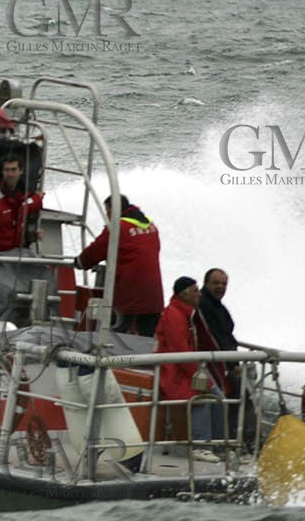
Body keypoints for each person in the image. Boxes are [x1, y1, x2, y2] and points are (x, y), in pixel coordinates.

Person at [154, 275, 226, 459]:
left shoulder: (184, 312)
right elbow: (180, 350)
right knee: (203, 395)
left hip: (183, 369)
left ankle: (218, 445)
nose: (199, 294)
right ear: (184, 294)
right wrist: (198, 374)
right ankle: (201, 445)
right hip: (173, 372)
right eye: (195, 291)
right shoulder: (175, 315)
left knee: (217, 397)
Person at [74, 194, 163, 336]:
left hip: (128, 294)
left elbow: (95, 251)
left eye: (108, 212)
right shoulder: (151, 226)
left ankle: (111, 358)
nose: (107, 216)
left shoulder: (117, 227)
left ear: (113, 210)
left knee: (114, 337)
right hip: (153, 296)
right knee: (148, 338)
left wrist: (79, 262)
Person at [198, 268, 256, 449]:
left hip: (223, 364)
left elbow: (225, 337)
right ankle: (239, 442)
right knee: (238, 395)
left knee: (241, 396)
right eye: (216, 283)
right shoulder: (204, 305)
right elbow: (214, 337)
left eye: (223, 284)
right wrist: (232, 365)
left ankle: (239, 440)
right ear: (206, 284)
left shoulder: (217, 307)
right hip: (213, 365)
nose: (220, 287)